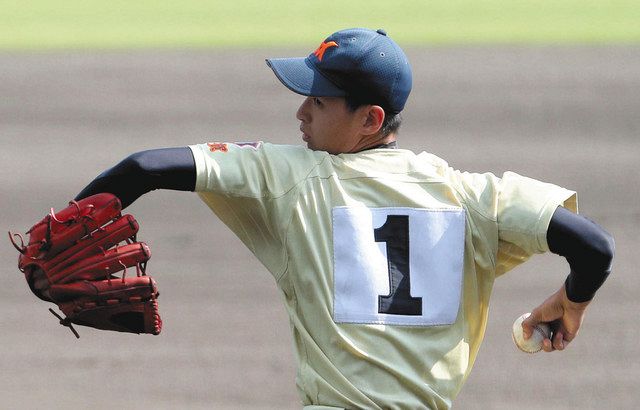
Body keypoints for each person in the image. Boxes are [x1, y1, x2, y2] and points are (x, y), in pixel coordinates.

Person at [74, 28, 614, 409]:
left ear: (370, 119)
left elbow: (143, 167)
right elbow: (594, 246)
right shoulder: (474, 198)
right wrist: (571, 303)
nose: (301, 112)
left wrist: (71, 227)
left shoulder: (294, 175)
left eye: (319, 101)